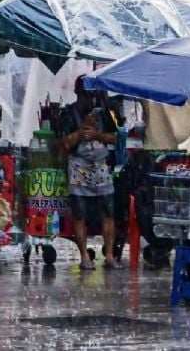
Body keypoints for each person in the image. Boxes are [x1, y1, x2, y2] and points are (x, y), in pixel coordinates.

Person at [60, 77, 120, 271]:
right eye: (87, 95)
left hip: (101, 165)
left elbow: (116, 139)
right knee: (79, 213)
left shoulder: (105, 114)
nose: (91, 100)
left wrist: (97, 135)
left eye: (93, 95)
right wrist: (80, 132)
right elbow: (64, 144)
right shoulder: (68, 113)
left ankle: (109, 255)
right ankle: (84, 256)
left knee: (109, 211)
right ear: (79, 94)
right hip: (78, 165)